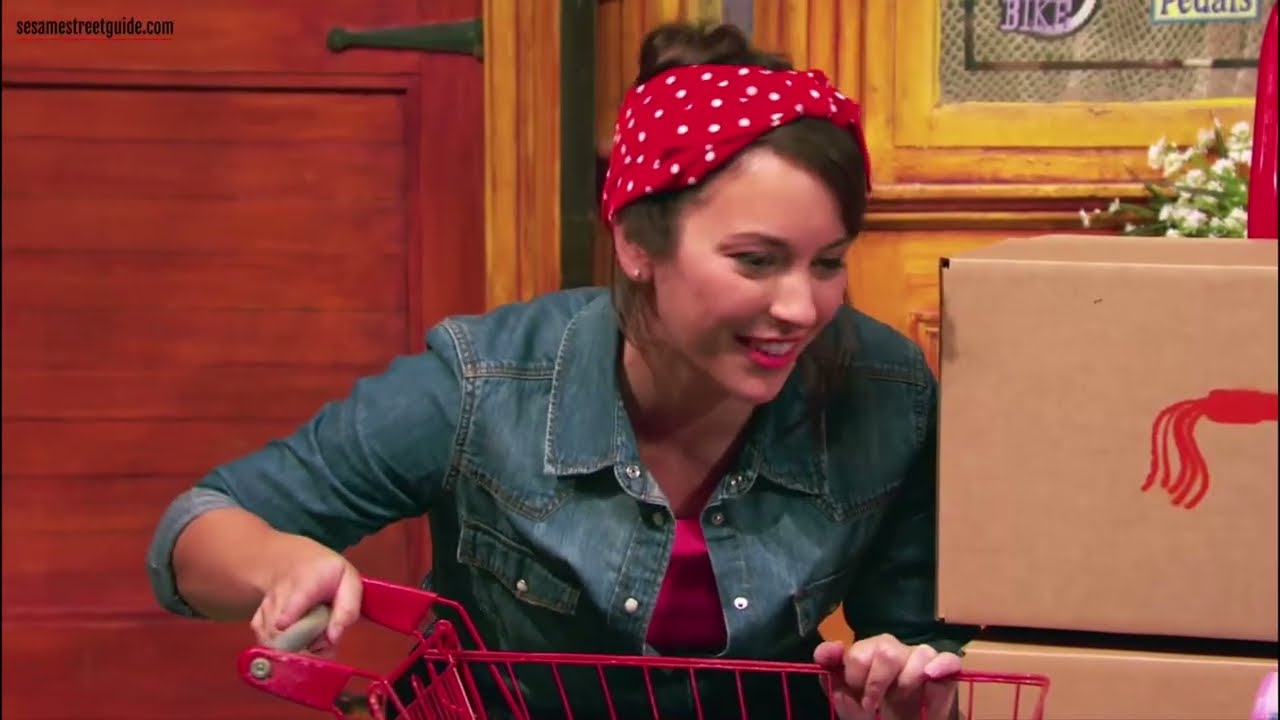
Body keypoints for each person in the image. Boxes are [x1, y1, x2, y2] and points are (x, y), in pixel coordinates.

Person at [147, 20, 972, 720]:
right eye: (755, 260)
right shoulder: (488, 382)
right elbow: (194, 531)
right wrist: (284, 566)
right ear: (636, 243)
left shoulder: (884, 386)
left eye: (827, 263)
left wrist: (899, 680)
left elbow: (918, 639)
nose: (801, 308)